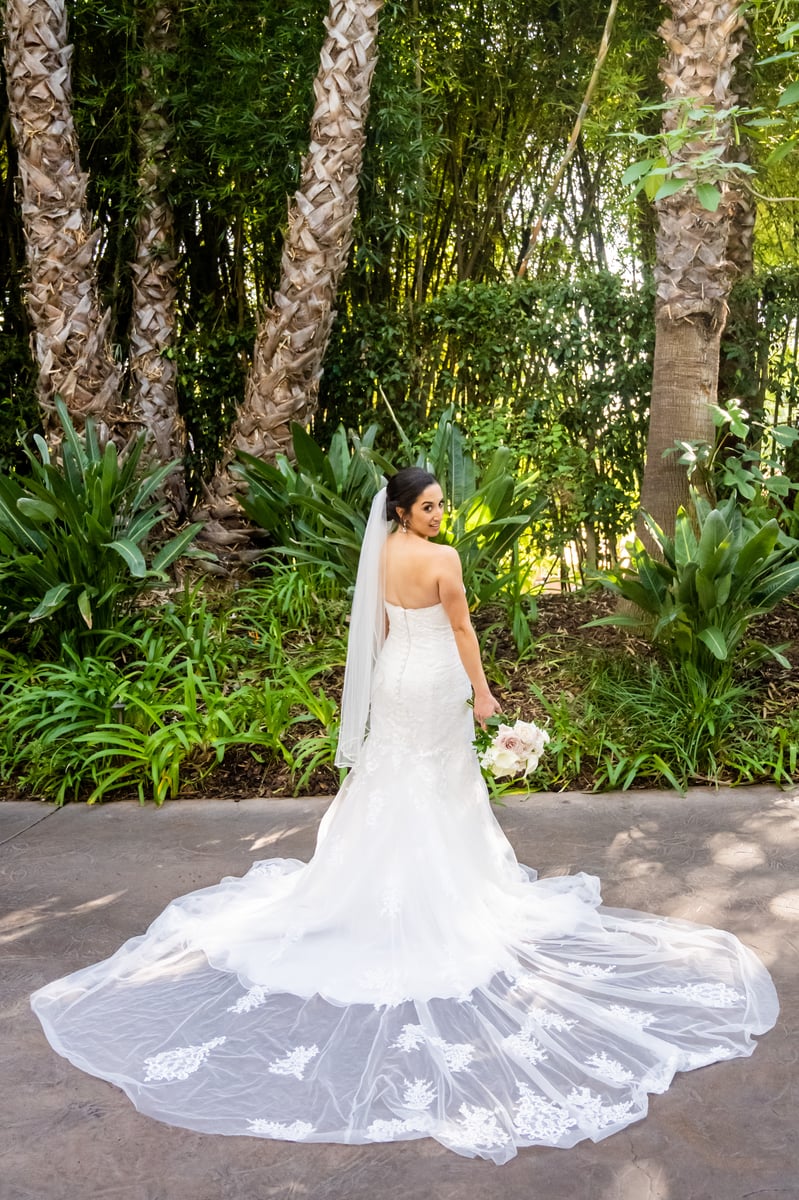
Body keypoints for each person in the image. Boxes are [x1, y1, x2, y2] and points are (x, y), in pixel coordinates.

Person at [31, 468, 778, 1164]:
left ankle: (371, 885)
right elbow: (462, 631)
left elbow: (379, 629)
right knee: (437, 785)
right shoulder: (441, 559)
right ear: (401, 510)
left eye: (441, 505)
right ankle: (438, 894)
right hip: (436, 682)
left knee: (393, 782)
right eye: (429, 506)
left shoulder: (381, 553)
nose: (440, 514)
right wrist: (483, 694)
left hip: (394, 681)